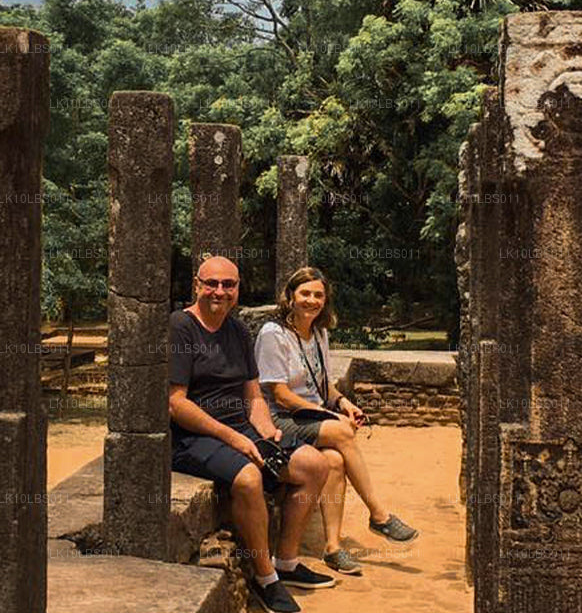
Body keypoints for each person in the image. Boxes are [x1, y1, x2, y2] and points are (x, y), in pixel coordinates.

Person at [169, 255, 333, 613]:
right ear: (196, 286)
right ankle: (265, 578)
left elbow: (253, 395)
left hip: (240, 427)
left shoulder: (238, 330)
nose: (220, 291)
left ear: (238, 289)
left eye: (228, 284)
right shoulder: (180, 327)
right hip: (193, 436)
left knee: (315, 465)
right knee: (247, 478)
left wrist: (265, 429)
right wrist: (235, 439)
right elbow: (176, 404)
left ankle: (286, 561)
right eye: (212, 283)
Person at [256, 267, 419, 576]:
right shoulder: (273, 334)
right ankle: (379, 515)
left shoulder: (319, 333)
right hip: (279, 419)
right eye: (305, 293)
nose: (311, 300)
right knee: (343, 432)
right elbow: (280, 395)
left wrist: (343, 403)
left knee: (334, 461)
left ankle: (332, 547)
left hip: (310, 416)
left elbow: (324, 387)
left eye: (318, 295)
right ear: (290, 297)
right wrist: (328, 415)